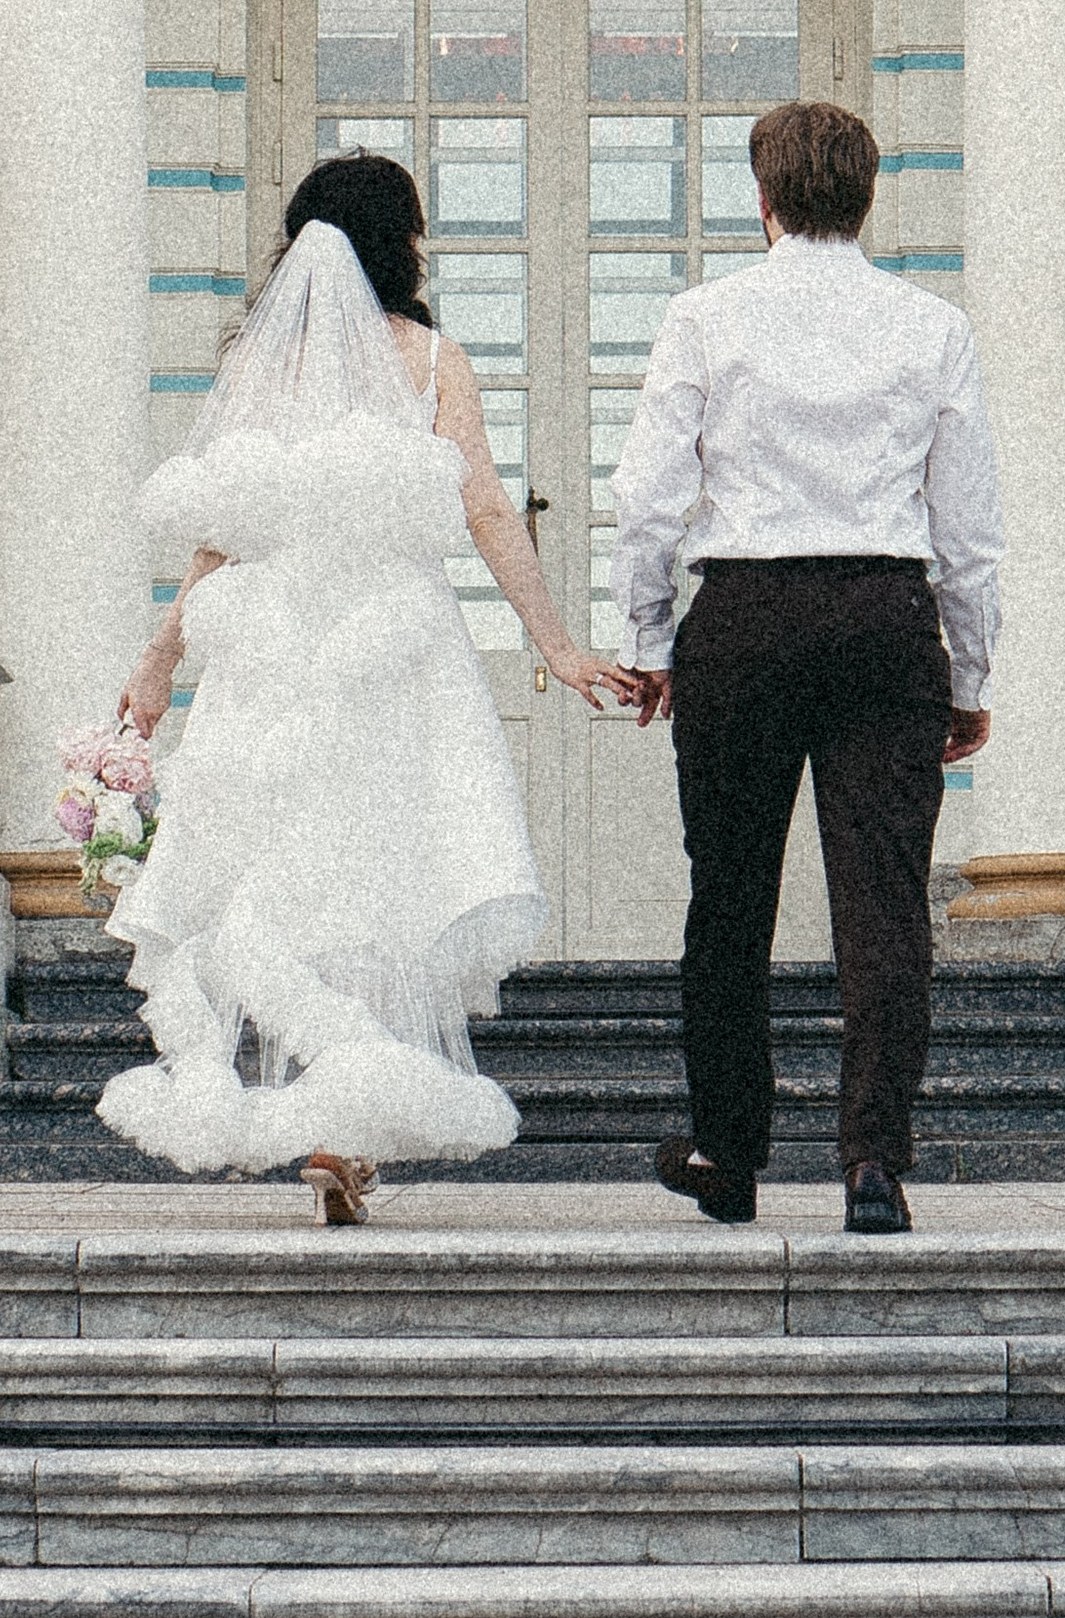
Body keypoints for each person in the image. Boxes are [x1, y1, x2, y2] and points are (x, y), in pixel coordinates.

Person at [105, 151, 630, 1221]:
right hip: (394, 655)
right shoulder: (431, 362)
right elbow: (488, 513)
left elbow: (221, 535)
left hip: (273, 656)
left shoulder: (259, 370)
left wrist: (162, 660)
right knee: (381, 876)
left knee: (280, 874)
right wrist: (560, 646)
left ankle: (330, 1112)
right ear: (403, 244)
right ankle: (349, 1121)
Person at [612, 99, 1001, 1236]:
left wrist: (647, 643)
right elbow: (967, 525)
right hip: (885, 615)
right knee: (884, 904)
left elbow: (645, 498)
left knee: (727, 897)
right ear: (868, 196)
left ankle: (727, 1155)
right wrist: (968, 674)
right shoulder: (931, 326)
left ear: (763, 198)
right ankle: (873, 1162)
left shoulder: (706, 317)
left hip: (745, 613)